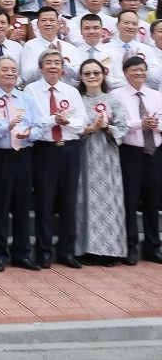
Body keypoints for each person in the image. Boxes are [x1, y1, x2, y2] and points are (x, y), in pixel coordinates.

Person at [25, 49, 87, 269]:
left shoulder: (71, 91)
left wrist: (67, 122)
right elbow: (31, 122)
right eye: (49, 62)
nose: (53, 66)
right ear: (41, 68)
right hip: (44, 150)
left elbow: (82, 122)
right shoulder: (31, 91)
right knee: (45, 201)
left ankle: (67, 252)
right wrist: (53, 120)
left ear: (62, 68)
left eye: (57, 63)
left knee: (69, 202)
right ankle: (44, 252)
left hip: (69, 149)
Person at [0, 55, 42, 272]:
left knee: (22, 205)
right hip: (0, 156)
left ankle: (22, 253)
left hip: (24, 155)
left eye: (13, 69)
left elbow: (39, 126)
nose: (9, 73)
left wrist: (30, 134)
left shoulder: (26, 98)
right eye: (4, 69)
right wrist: (7, 127)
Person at [75, 58, 128, 265]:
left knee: (109, 202)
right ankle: (85, 249)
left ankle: (110, 251)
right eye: (87, 73)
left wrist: (107, 127)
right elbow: (71, 128)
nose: (92, 77)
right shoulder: (77, 99)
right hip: (84, 155)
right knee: (84, 200)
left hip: (107, 156)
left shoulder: (113, 99)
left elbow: (123, 128)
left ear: (103, 75)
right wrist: (90, 128)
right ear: (81, 77)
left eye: (96, 73)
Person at [112, 56, 162, 265]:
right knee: (129, 201)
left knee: (153, 201)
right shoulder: (116, 95)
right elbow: (118, 123)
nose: (139, 73)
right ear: (125, 73)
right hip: (130, 153)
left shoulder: (156, 95)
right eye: (134, 70)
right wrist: (140, 123)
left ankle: (153, 247)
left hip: (154, 153)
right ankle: (130, 247)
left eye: (142, 69)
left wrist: (155, 124)